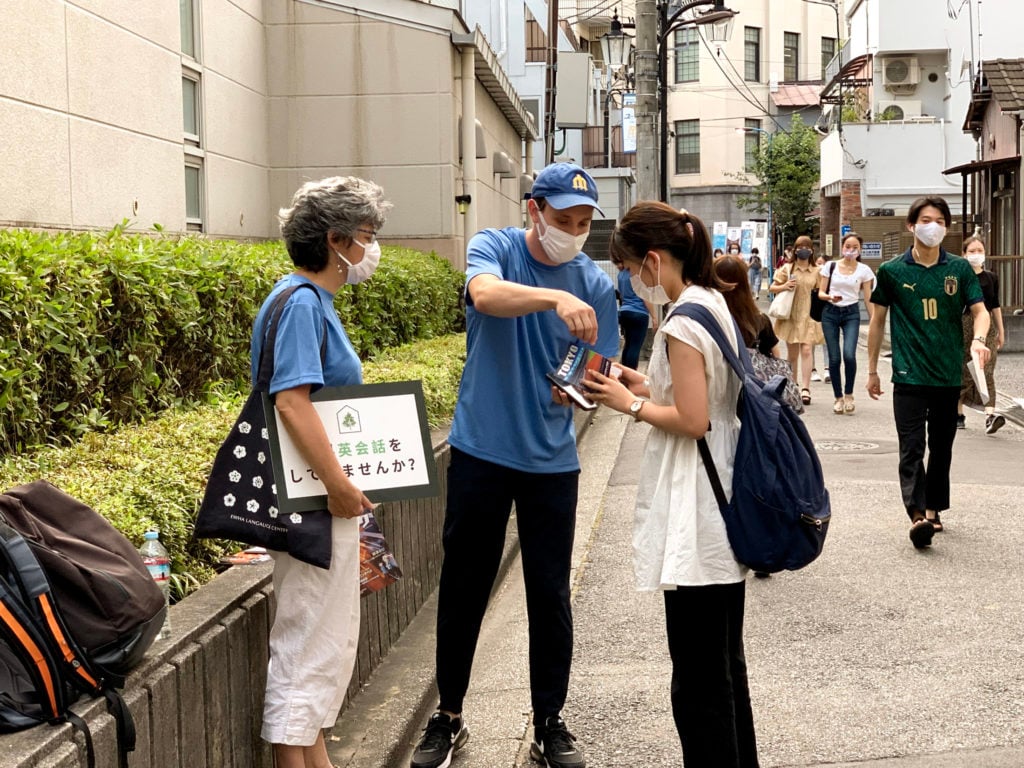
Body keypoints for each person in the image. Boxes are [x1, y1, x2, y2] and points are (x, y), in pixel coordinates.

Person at [411, 163, 618, 768]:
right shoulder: (495, 248)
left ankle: (549, 721)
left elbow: (599, 361)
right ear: (534, 210)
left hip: (552, 458)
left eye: (583, 223)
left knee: (548, 593)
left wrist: (582, 383)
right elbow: (483, 296)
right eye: (562, 220)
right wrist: (554, 296)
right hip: (481, 450)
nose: (573, 232)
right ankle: (449, 716)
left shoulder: (596, 284)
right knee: (465, 585)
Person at [584, 203, 760, 768]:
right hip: (722, 492)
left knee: (699, 680)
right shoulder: (712, 303)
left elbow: (692, 419)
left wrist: (630, 403)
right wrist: (639, 381)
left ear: (654, 261)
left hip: (699, 504)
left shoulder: (683, 320)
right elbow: (698, 395)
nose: (634, 281)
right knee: (724, 665)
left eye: (633, 268)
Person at [256, 176, 391, 768]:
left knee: (321, 644)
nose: (370, 249)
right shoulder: (305, 303)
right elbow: (291, 400)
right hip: (313, 501)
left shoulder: (304, 300)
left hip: (313, 497)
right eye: (365, 236)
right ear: (335, 240)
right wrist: (338, 486)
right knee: (308, 645)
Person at [866, 196, 990, 547]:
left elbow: (979, 311)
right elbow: (877, 322)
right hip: (907, 374)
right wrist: (873, 369)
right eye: (925, 219)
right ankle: (917, 514)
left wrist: (979, 339)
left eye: (938, 220)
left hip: (947, 373)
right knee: (911, 446)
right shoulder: (891, 271)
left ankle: (934, 508)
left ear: (946, 228)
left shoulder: (959, 270)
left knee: (942, 446)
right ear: (912, 225)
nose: (931, 226)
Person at [818, 232, 875, 414]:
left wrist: (874, 320)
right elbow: (820, 292)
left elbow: (867, 298)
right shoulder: (830, 266)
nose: (850, 250)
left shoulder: (864, 270)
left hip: (851, 312)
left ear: (860, 250)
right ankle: (838, 397)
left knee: (849, 354)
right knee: (834, 357)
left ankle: (849, 394)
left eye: (854, 247)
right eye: (847, 247)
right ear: (842, 247)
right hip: (830, 312)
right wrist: (829, 297)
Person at [957, 236, 1006, 434]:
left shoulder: (990, 277)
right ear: (964, 254)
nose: (976, 255)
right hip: (963, 325)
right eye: (972, 251)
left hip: (987, 327)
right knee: (964, 370)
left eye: (980, 250)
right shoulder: (960, 277)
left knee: (987, 369)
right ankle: (957, 412)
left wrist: (1000, 331)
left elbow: (995, 305)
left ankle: (990, 415)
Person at [769, 235, 823, 405]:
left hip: (809, 316)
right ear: (794, 250)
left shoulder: (817, 271)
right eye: (799, 247)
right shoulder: (786, 269)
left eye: (806, 247)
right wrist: (784, 286)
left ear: (812, 250)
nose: (803, 250)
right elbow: (772, 287)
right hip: (791, 315)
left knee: (807, 350)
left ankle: (806, 388)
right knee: (792, 354)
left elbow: (821, 292)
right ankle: (793, 385)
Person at [618, 264, 655, 370]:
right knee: (635, 347)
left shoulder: (621, 274)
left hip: (624, 312)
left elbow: (621, 295)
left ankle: (623, 373)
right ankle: (631, 375)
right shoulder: (637, 273)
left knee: (628, 345)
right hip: (639, 313)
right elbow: (645, 297)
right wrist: (654, 317)